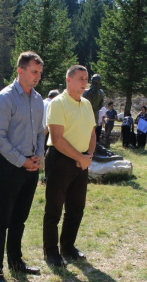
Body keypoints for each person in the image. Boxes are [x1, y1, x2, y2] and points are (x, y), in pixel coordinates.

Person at [0, 51, 45, 282]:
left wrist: (39, 156)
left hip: (31, 168)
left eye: (40, 73)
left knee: (20, 219)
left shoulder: (38, 99)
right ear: (20, 71)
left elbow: (42, 131)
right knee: (2, 220)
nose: (37, 77)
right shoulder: (5, 98)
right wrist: (22, 160)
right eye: (34, 72)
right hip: (11, 167)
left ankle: (15, 262)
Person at [43, 65, 96, 267]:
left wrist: (88, 155)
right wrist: (80, 158)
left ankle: (68, 246)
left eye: (86, 79)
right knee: (54, 208)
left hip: (82, 160)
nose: (85, 83)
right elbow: (57, 139)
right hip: (60, 160)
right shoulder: (58, 103)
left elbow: (92, 134)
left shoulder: (87, 104)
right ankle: (51, 251)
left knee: (76, 208)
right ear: (69, 80)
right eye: (81, 78)